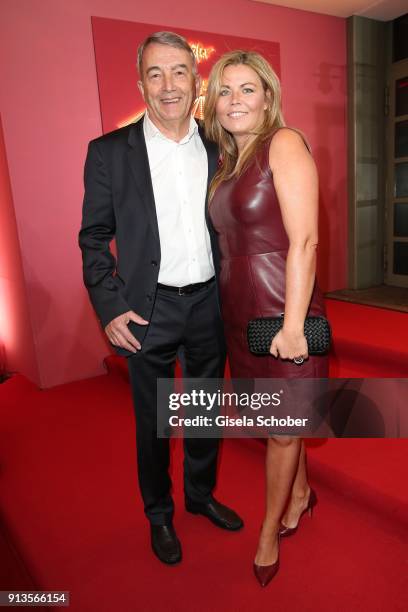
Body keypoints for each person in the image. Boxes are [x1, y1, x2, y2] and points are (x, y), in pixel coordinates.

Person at [78, 32, 243, 566]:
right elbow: (93, 237)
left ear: (195, 82)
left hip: (207, 306)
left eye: (178, 72)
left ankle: (199, 497)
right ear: (141, 83)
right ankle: (159, 515)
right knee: (153, 424)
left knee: (202, 415)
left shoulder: (222, 148)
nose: (168, 85)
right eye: (155, 73)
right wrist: (109, 307)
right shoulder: (108, 153)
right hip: (146, 310)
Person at [204, 50, 329, 586]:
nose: (235, 100)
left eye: (247, 89)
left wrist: (294, 326)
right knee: (277, 424)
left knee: (280, 430)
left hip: (283, 311)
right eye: (225, 90)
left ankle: (268, 532)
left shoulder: (284, 143)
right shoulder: (230, 161)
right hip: (239, 316)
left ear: (268, 97)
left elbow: (304, 239)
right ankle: (300, 492)